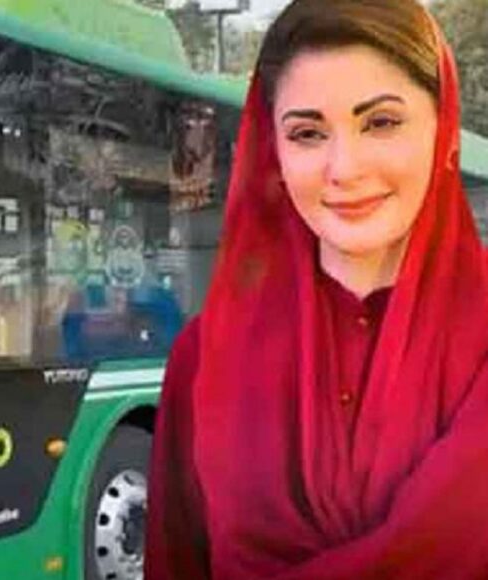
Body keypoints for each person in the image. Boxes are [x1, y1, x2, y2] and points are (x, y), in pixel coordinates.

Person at [144, 0, 488, 578]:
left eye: (381, 122)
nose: (344, 168)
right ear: (273, 151)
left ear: (443, 129)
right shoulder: (206, 358)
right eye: (307, 133)